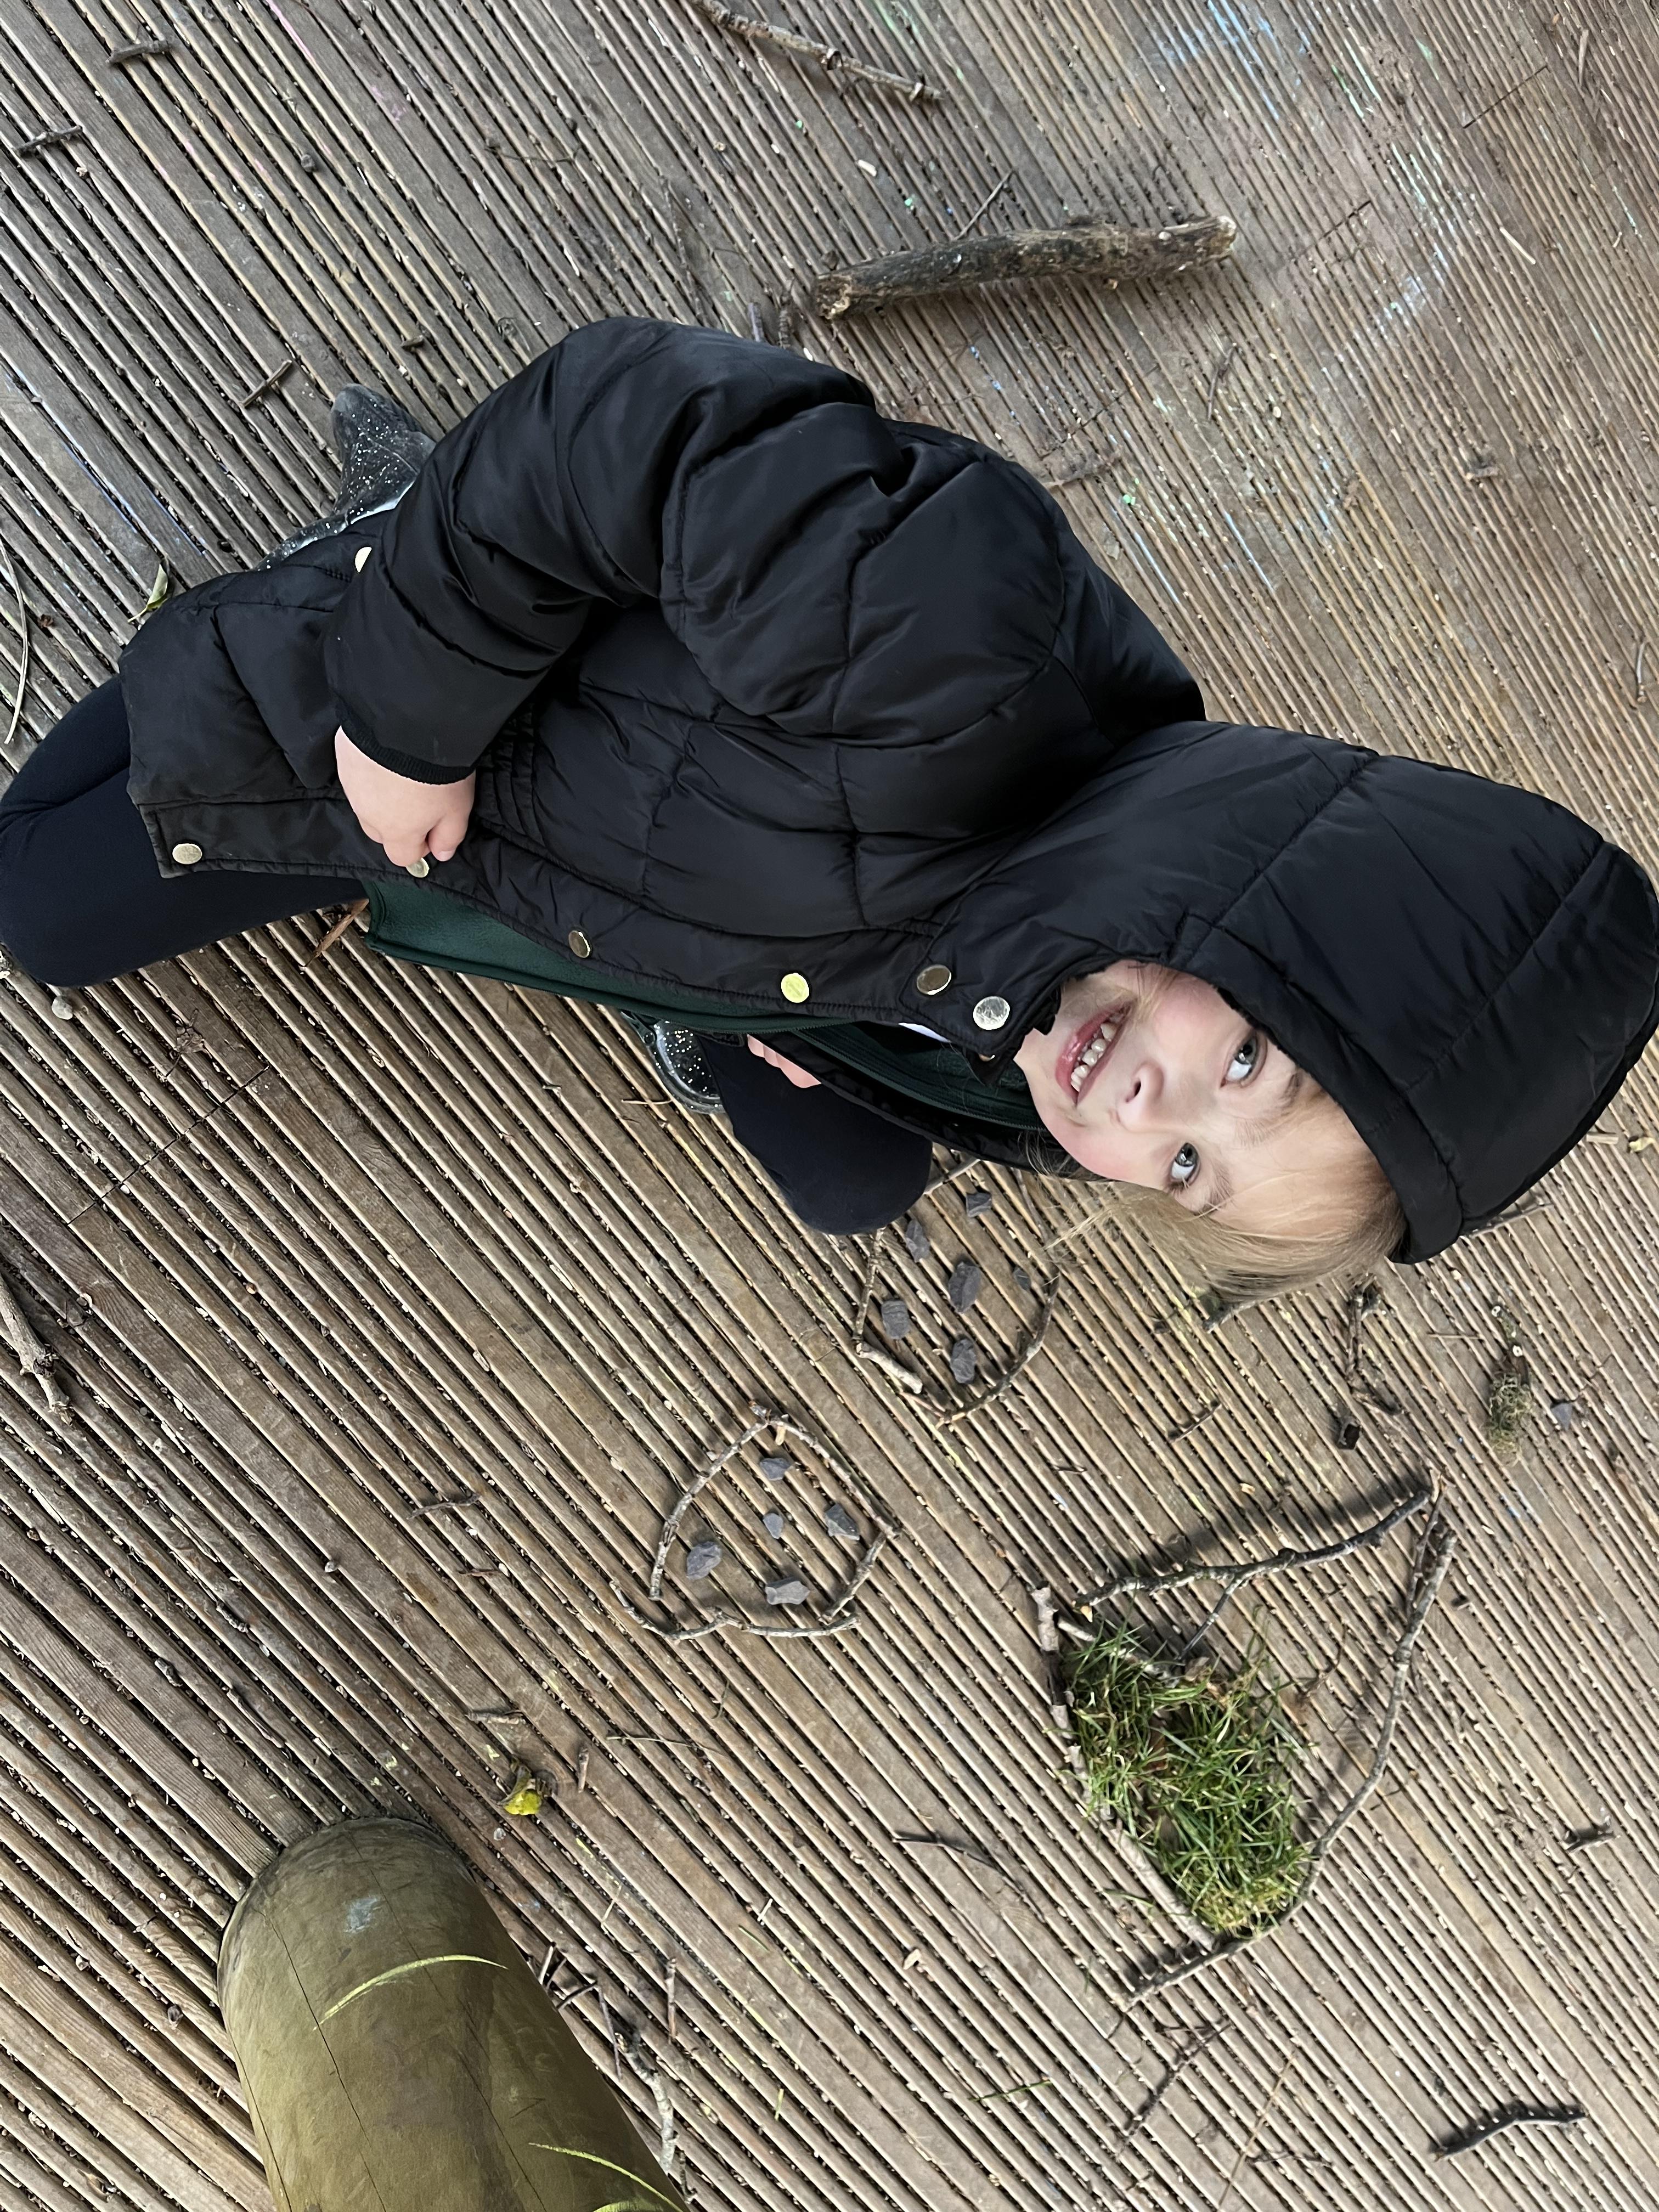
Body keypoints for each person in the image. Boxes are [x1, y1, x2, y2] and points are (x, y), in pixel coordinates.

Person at [1, 317, 1654, 1296]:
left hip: (696, 885)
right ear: (1291, 905)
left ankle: (712, 990)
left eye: (1185, 1170)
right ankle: (394, 536)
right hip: (449, 728)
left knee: (858, 1184)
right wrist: (411, 714)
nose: (1147, 1110)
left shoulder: (1068, 1010)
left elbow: (1040, 1049)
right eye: (1246, 1065)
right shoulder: (959, 647)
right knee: (41, 918)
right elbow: (619, 413)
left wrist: (843, 1032)